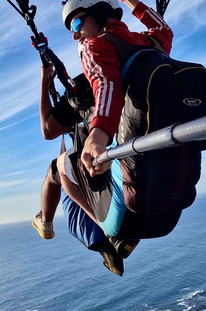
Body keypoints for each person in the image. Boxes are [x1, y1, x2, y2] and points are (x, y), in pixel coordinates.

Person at [56, 0, 175, 243]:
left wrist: (97, 136)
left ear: (99, 11)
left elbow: (105, 84)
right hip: (174, 196)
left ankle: (108, 234)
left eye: (77, 23)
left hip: (134, 201)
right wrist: (129, 1)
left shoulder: (94, 45)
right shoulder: (153, 43)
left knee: (60, 165)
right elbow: (164, 28)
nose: (75, 35)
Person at [32, 64, 128, 276]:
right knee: (68, 171)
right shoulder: (134, 67)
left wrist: (44, 83)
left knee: (55, 170)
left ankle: (47, 223)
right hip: (136, 154)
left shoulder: (90, 81)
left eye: (77, 28)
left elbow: (48, 130)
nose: (76, 35)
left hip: (106, 160)